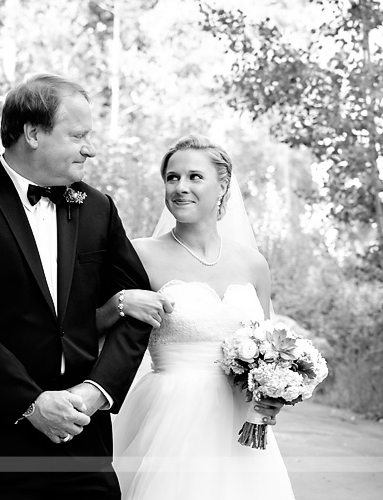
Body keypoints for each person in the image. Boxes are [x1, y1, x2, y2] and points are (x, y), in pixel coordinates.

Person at [0, 73, 173, 500]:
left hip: (83, 433)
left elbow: (140, 309)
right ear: (33, 133)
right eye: (77, 136)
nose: (89, 148)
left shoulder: (97, 207)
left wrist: (96, 392)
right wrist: (32, 405)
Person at [113, 134, 295, 499]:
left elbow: (273, 348)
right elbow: (96, 325)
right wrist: (119, 302)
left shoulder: (253, 263)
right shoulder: (140, 254)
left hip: (241, 422)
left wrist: (276, 393)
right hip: (171, 417)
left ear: (223, 185)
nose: (181, 188)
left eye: (195, 177)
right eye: (172, 178)